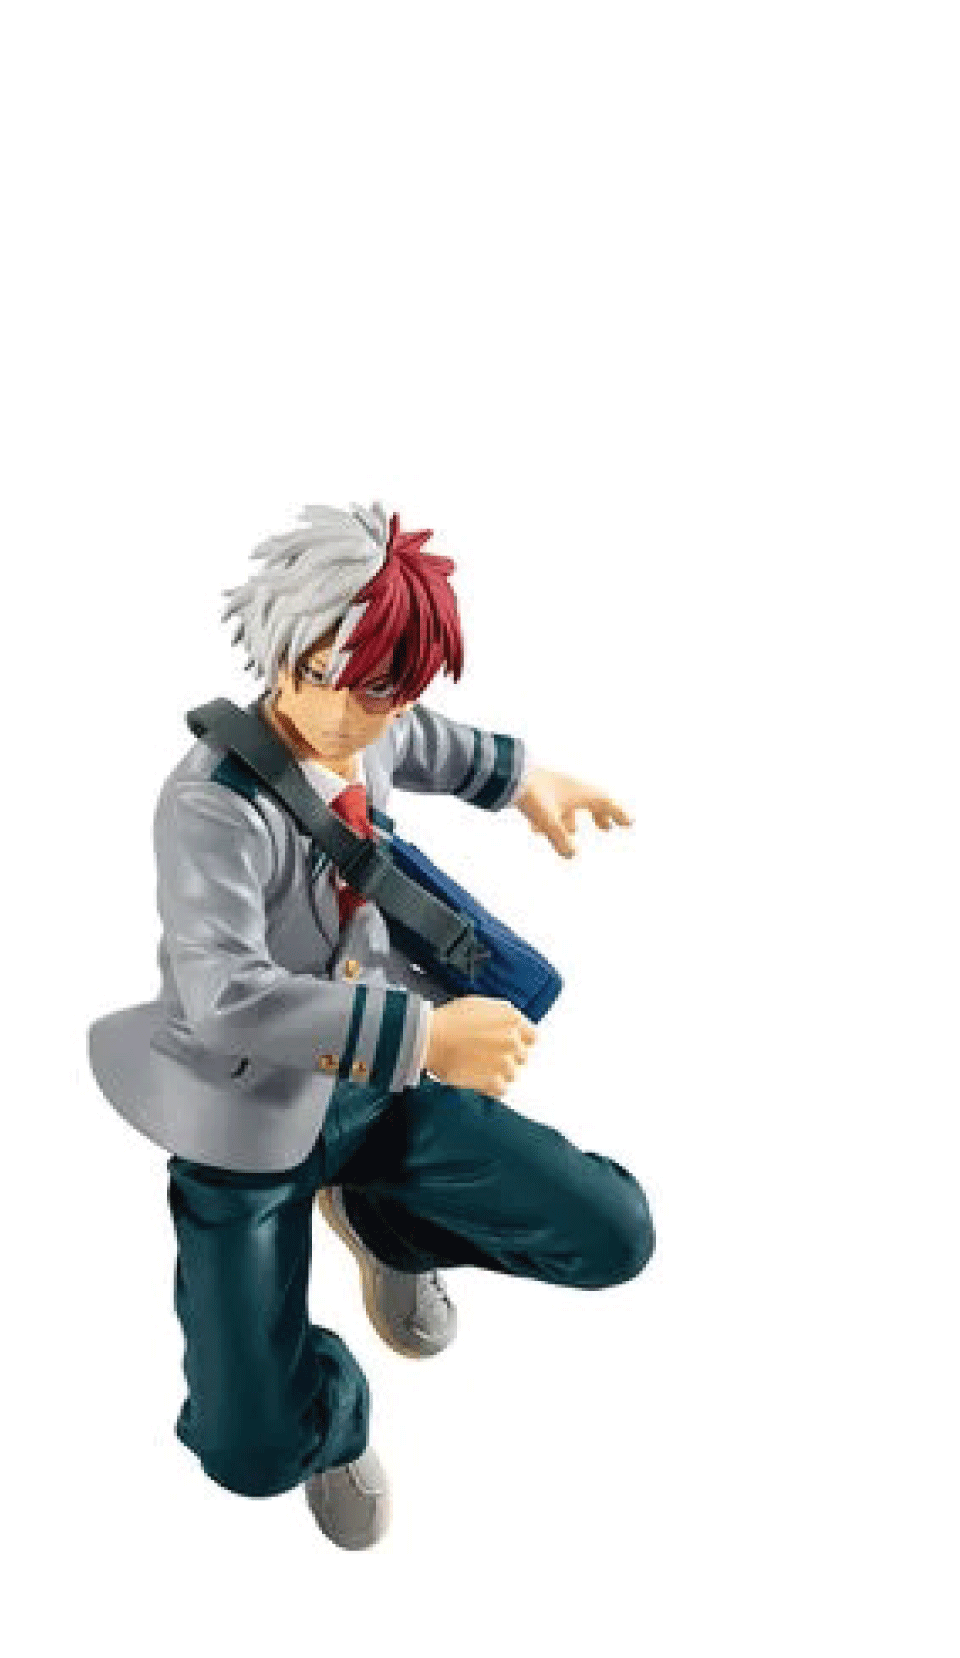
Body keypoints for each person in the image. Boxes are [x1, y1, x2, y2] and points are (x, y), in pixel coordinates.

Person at [89, 503, 653, 1549]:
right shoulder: (211, 805)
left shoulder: (375, 730)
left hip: (376, 1098)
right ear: (283, 651)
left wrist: (521, 777)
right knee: (251, 1449)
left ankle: (385, 1227)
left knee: (610, 1233)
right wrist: (426, 1040)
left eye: (385, 690)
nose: (353, 714)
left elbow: (430, 740)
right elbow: (224, 995)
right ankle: (331, 1414)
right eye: (327, 675)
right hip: (246, 1126)